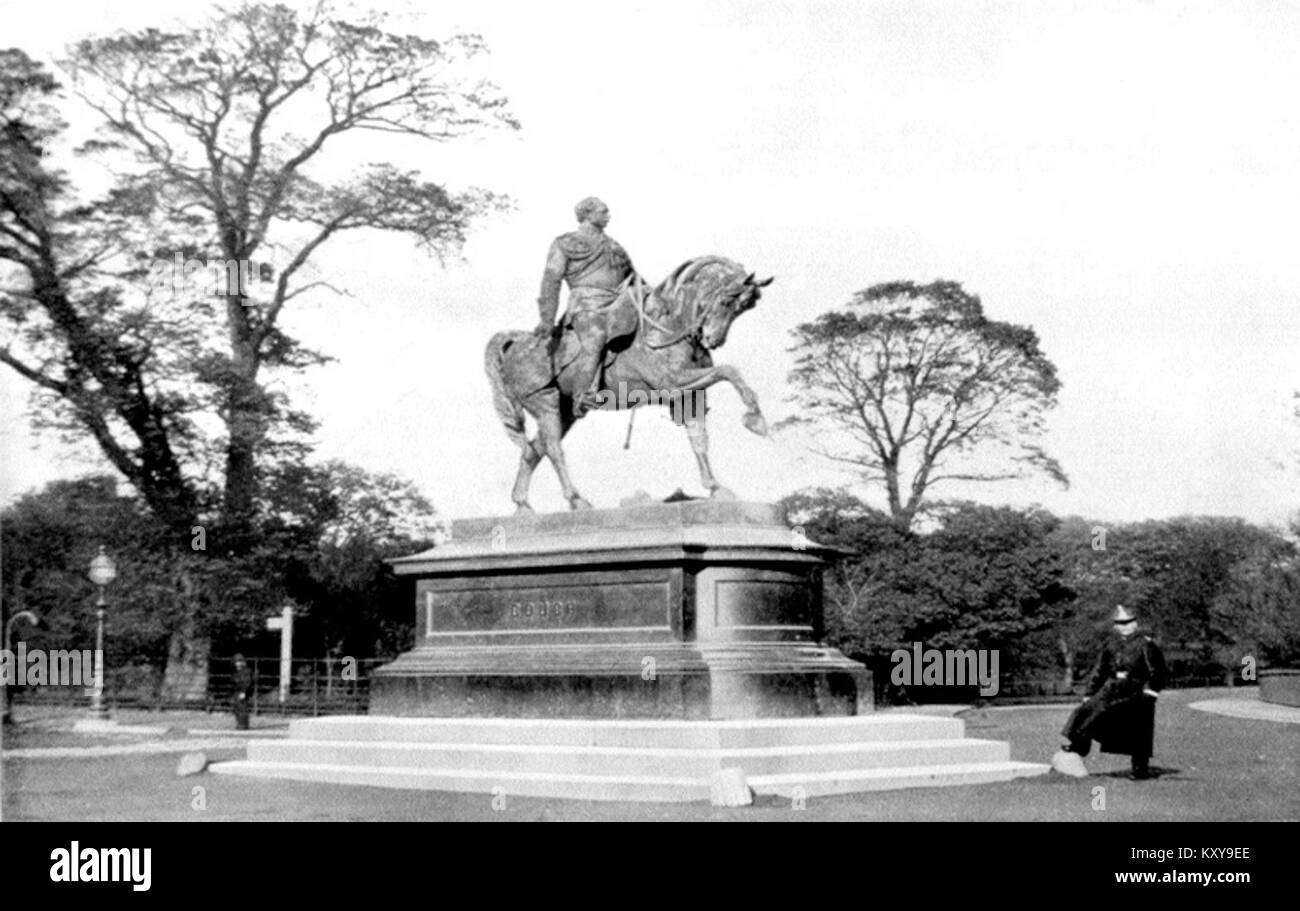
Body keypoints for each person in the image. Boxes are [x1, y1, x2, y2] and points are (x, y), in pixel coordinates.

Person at [534, 196, 640, 415]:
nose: (608, 216)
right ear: (587, 214)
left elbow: (635, 279)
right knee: (596, 337)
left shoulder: (614, 246)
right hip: (586, 306)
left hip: (619, 305)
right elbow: (551, 279)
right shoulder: (566, 243)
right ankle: (583, 396)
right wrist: (547, 319)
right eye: (603, 211)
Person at [1054, 605, 1168, 780]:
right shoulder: (1110, 645)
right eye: (1120, 623)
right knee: (1086, 712)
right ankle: (1079, 745)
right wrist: (1089, 693)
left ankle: (1140, 769)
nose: (1123, 626)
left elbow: (1159, 672)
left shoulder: (1146, 645)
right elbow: (1099, 671)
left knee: (1139, 731)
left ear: (1135, 623)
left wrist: (1151, 692)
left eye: (1127, 622)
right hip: (1112, 687)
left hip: (1136, 691)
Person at [231, 653, 253, 731]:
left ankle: (243, 724)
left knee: (242, 707)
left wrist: (244, 692)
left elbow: (247, 682)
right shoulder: (237, 671)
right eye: (237, 661)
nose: (238, 663)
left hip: (242, 691)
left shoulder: (246, 671)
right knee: (237, 707)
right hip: (237, 691)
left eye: (240, 661)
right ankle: (240, 723)